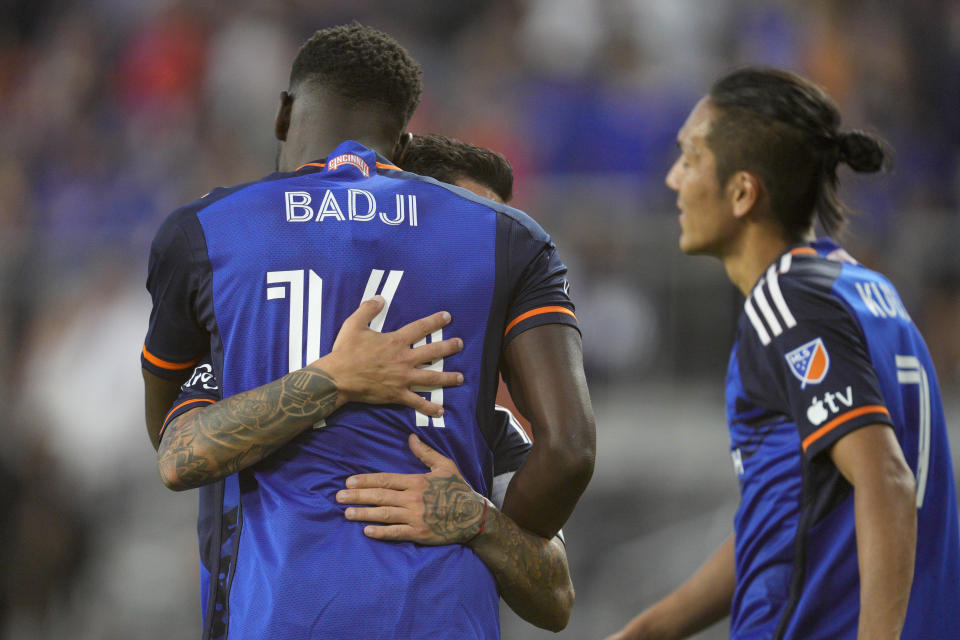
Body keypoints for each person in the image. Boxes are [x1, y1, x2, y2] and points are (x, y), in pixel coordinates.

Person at [141, 24, 595, 639]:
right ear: (402, 150)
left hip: (277, 618)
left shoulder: (215, 245)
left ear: (283, 114)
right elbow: (570, 450)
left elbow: (169, 446)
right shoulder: (511, 240)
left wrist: (480, 521)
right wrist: (336, 377)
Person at [606, 67, 960, 640]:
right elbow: (789, 517)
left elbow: (887, 479)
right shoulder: (866, 290)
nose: (673, 179)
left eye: (691, 159)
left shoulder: (788, 303)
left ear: (743, 192)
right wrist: (653, 628)